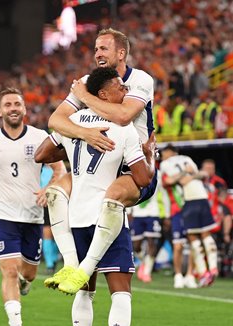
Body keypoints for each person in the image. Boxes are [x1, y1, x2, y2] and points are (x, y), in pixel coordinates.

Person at [35, 67, 156, 326]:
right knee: (121, 292)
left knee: (84, 293)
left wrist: (71, 137)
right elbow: (142, 179)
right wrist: (149, 156)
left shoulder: (71, 122)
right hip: (109, 218)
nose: (123, 90)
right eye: (118, 86)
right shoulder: (124, 128)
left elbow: (41, 153)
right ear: (102, 94)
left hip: (76, 218)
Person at [40, 28, 158, 289]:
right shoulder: (87, 80)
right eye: (95, 49)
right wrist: (86, 134)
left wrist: (84, 97)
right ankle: (71, 264)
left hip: (131, 165)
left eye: (103, 48)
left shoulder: (140, 80)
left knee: (112, 196)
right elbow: (54, 120)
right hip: (99, 163)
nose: (97, 54)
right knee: (55, 194)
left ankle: (86, 267)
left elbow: (124, 116)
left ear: (121, 52)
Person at [0, 87, 65, 326]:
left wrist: (49, 188)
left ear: (24, 109)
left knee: (29, 274)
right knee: (9, 271)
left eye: (17, 104)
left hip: (33, 216)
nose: (13, 108)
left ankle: (26, 282)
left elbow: (59, 169)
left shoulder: (40, 137)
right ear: (0, 110)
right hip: (2, 215)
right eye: (8, 104)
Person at [160, 144, 218, 287]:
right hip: (177, 209)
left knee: (195, 239)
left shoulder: (167, 165)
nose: (162, 155)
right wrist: (190, 174)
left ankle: (194, 274)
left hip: (188, 204)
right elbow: (168, 182)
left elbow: (185, 179)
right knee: (180, 244)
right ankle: (180, 275)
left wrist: (187, 175)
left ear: (172, 152)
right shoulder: (174, 166)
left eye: (164, 152)